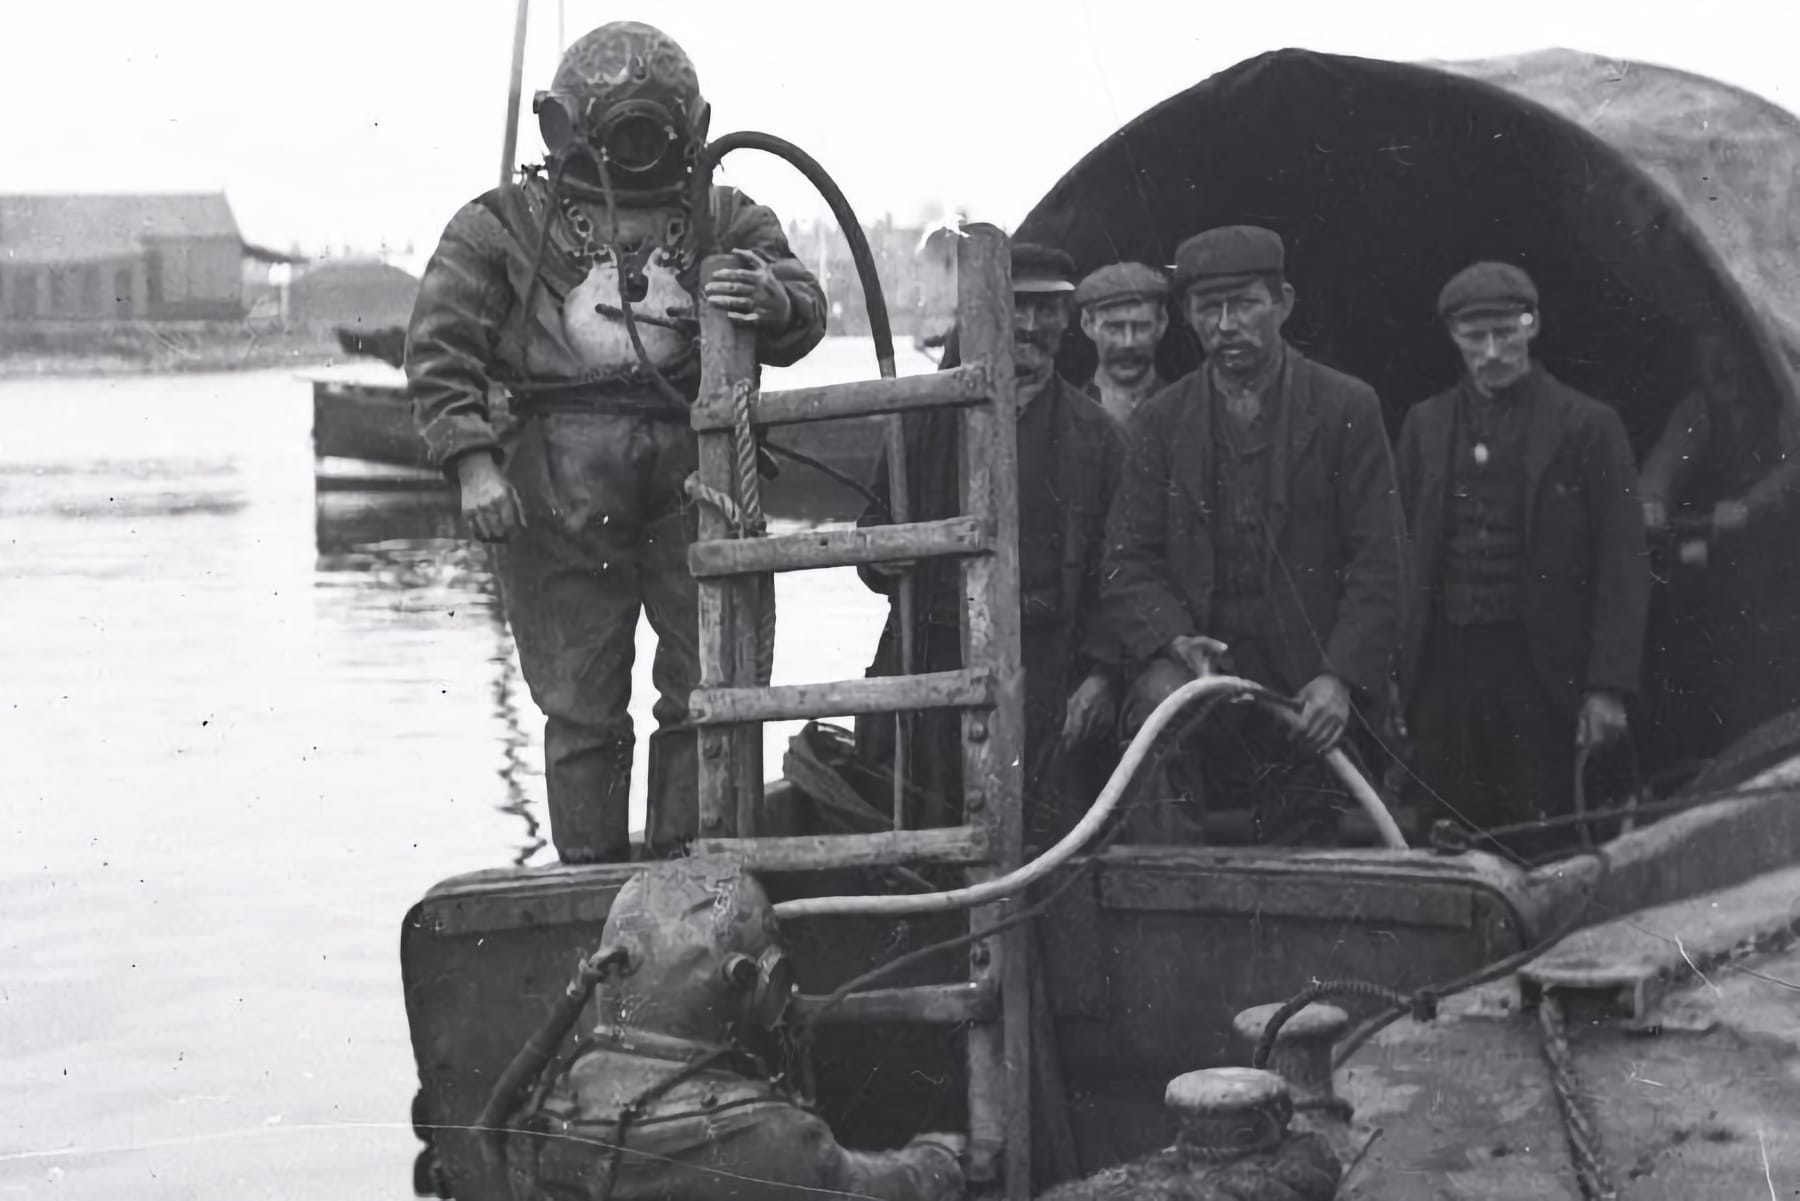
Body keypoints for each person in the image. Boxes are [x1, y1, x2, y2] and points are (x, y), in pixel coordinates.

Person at [406, 22, 826, 864]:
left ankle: (686, 868)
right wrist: (474, 460)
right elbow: (440, 342)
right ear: (566, 129)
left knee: (710, 683)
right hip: (558, 477)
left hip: (700, 469)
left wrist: (772, 301)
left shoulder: (724, 215)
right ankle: (589, 880)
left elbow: (803, 302)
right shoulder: (507, 225)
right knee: (581, 696)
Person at [1100, 225, 1405, 844]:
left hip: (1310, 684)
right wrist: (1177, 639)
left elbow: (1381, 562)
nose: (1227, 324)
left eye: (1245, 305)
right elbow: (1128, 562)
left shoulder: (1347, 407)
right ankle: (1169, 895)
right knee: (1158, 705)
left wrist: (1340, 678)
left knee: (1307, 840)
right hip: (1202, 677)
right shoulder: (1161, 422)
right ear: (1187, 316)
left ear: (1284, 304)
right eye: (1209, 309)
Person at [857, 243, 1124, 843]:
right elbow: (870, 536)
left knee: (1044, 830)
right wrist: (883, 550)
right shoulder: (922, 418)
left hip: (1051, 661)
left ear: (1067, 319)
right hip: (937, 650)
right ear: (983, 313)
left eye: (1047, 310)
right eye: (1015, 306)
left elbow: (1124, 572)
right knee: (932, 823)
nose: (1030, 326)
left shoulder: (1098, 437)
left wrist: (1103, 676)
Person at [511, 859, 966, 1200]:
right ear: (756, 983)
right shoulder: (770, 1137)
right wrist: (939, 1159)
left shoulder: (550, 1107)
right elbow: (867, 1186)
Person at [1394, 262, 1648, 846]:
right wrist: (1395, 674)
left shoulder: (1588, 425)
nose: (1491, 351)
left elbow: (1623, 565)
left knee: (1543, 832)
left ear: (1533, 326)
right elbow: (1400, 552)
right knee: (1447, 830)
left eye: (1506, 333)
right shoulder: (1425, 426)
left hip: (1543, 674)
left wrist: (1607, 685)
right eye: (1473, 337)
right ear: (1452, 336)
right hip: (1445, 669)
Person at [1073, 262, 1171, 427]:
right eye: (1114, 328)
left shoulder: (1188, 412)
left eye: (1141, 327)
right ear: (1087, 324)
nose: (1128, 342)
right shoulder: (1068, 415)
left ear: (1162, 323)